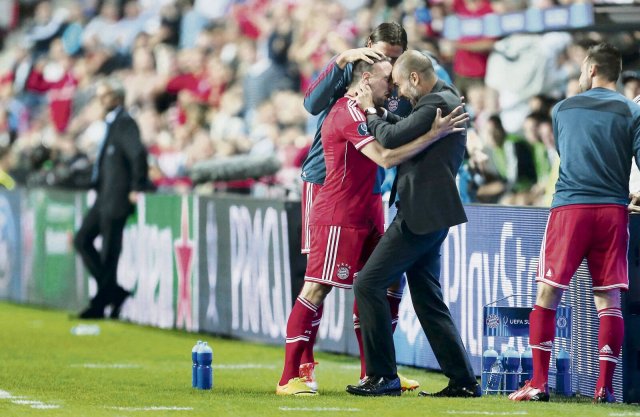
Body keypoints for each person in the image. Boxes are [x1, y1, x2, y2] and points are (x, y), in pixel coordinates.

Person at [277, 56, 468, 396]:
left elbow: (391, 130)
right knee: (318, 288)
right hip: (339, 216)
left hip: (368, 213)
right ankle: (292, 374)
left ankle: (378, 373)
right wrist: (432, 134)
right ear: (366, 79)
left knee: (380, 287)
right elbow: (386, 155)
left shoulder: (371, 110)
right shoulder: (348, 111)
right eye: (387, 80)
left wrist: (388, 117)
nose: (393, 89)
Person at [508, 43, 640, 403]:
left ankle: (537, 383)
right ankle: (605, 389)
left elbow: (570, 155)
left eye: (583, 69)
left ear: (593, 69)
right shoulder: (632, 111)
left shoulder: (563, 110)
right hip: (613, 212)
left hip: (571, 208)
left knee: (547, 293)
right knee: (608, 298)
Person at [345, 50, 479, 398]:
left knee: (368, 284)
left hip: (420, 214)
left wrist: (371, 111)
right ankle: (463, 381)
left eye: (402, 84)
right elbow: (403, 126)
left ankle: (382, 376)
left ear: (416, 78)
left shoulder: (436, 104)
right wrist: (385, 115)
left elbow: (389, 138)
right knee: (427, 299)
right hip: (432, 212)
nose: (400, 93)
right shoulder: (444, 95)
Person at [298, 22, 417, 391]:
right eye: (382, 55)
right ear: (367, 48)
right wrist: (342, 58)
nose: (389, 64)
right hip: (324, 181)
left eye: (395, 59)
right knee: (319, 279)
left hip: (370, 188)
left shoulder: (401, 81)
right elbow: (311, 103)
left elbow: (406, 121)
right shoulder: (352, 71)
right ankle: (302, 368)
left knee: (375, 280)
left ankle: (377, 370)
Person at [74, 78, 152, 319]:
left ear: (117, 97)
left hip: (116, 196)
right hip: (104, 195)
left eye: (105, 95)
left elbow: (137, 153)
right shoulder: (112, 123)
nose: (100, 100)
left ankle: (101, 302)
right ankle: (113, 293)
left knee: (109, 251)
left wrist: (136, 186)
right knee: (82, 240)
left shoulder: (125, 123)